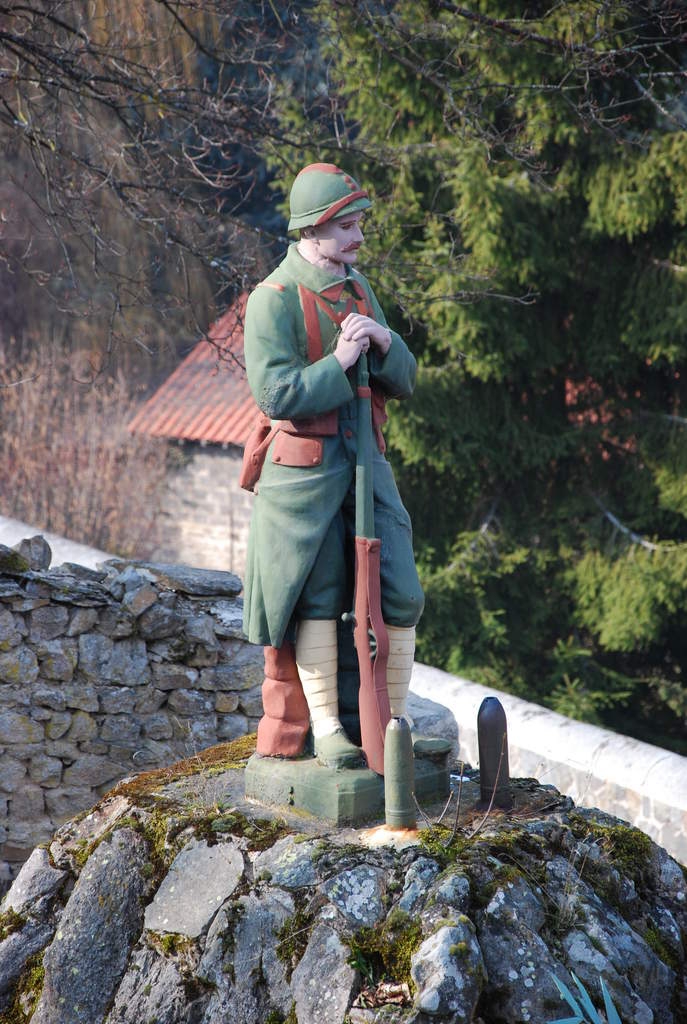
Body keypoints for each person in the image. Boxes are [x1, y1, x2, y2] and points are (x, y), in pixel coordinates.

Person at [242, 162, 427, 770]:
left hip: (365, 467)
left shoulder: (358, 289)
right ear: (312, 230)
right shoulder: (272, 300)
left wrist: (383, 343)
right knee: (316, 597)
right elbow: (276, 397)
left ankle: (393, 727)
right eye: (345, 226)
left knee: (400, 591)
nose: (357, 237)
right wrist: (340, 360)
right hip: (304, 480)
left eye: (358, 224)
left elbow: (404, 380)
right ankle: (328, 731)